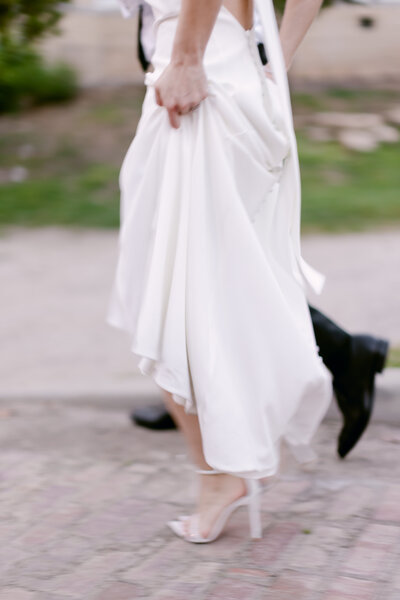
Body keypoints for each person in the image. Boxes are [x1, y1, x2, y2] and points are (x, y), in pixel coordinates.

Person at [106, 0, 362, 543]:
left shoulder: (191, 59)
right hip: (229, 71)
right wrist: (276, 62)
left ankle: (220, 474)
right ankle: (228, 462)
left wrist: (188, 57)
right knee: (200, 287)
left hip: (199, 80)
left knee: (167, 289)